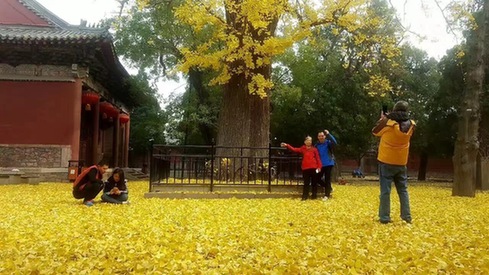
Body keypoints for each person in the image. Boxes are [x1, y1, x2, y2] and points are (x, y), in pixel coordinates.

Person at [372, 101, 416, 224]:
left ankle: (384, 217)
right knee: (403, 190)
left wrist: (382, 119)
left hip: (386, 161)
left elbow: (375, 132)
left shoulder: (388, 123)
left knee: (385, 191)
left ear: (394, 109)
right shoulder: (411, 125)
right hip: (401, 162)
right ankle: (406, 216)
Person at [281, 136, 322, 200]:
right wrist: (287, 145)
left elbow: (318, 158)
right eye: (308, 140)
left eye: (310, 140)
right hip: (305, 168)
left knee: (314, 183)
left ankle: (314, 196)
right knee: (306, 183)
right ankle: (305, 196)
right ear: (305, 142)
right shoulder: (303, 149)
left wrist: (319, 167)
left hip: (314, 168)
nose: (309, 142)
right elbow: (294, 149)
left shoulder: (314, 149)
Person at [315, 130, 337, 200]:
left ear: (324, 136)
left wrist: (329, 134)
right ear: (317, 137)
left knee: (327, 179)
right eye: (319, 136)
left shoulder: (328, 143)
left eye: (322, 136)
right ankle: (329, 188)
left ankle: (326, 195)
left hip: (328, 163)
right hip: (320, 165)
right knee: (317, 178)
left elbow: (335, 143)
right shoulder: (316, 145)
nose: (321, 137)